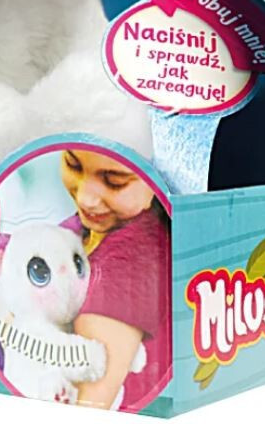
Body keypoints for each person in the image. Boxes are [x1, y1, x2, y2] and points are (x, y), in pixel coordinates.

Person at [59, 149, 171, 409]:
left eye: (115, 181)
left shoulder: (132, 260)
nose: (85, 198)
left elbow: (89, 404)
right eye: (73, 164)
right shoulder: (86, 228)